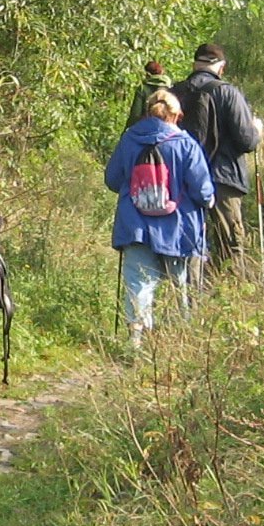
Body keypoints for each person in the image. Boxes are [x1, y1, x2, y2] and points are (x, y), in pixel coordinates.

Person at [105, 89, 213, 341]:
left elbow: (112, 179)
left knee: (138, 284)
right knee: (179, 286)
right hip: (178, 229)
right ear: (176, 116)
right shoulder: (185, 144)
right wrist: (208, 200)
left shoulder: (129, 139)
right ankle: (179, 341)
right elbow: (202, 190)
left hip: (135, 226)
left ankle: (136, 342)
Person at [176, 42, 263, 266]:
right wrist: (257, 129)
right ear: (221, 68)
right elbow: (247, 141)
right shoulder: (228, 93)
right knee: (230, 244)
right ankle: (230, 293)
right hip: (222, 178)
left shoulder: (174, 93)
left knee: (187, 243)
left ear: (195, 64)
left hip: (181, 180)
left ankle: (187, 296)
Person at [125, 57, 173, 127]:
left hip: (146, 126)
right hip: (165, 126)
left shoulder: (142, 88)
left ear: (147, 74)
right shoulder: (170, 87)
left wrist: (128, 129)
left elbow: (135, 114)